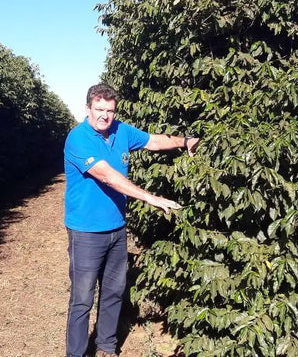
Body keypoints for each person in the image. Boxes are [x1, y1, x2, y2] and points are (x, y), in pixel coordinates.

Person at [63, 83, 199, 357]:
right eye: (99, 109)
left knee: (114, 291)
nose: (105, 116)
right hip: (86, 232)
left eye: (110, 110)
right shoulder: (78, 138)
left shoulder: (121, 131)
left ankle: (106, 346)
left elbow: (153, 140)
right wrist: (151, 198)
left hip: (117, 228)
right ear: (88, 108)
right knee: (82, 299)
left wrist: (184, 141)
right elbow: (108, 176)